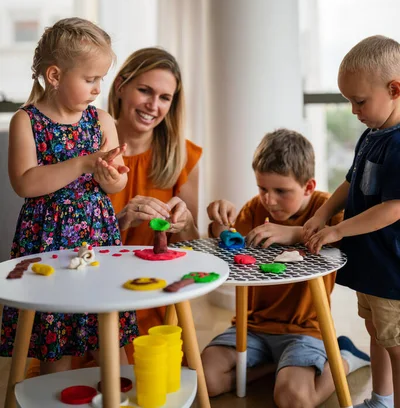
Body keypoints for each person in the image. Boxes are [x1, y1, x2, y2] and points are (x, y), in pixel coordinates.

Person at [0, 18, 138, 375]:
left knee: (108, 327)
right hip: (48, 238)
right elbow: (26, 184)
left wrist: (109, 176)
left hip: (97, 235)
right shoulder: (26, 121)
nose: (96, 89)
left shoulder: (102, 120)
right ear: (55, 76)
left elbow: (116, 184)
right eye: (89, 79)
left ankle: (117, 392)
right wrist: (82, 164)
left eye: (100, 80)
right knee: (55, 333)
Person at [202, 129, 370, 408]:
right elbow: (229, 245)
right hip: (252, 326)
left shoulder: (325, 208)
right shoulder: (254, 209)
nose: (269, 199)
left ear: (308, 186)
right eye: (262, 188)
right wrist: (220, 222)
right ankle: (275, 366)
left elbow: (346, 239)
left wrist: (294, 233)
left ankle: (345, 359)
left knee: (293, 399)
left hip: (304, 329)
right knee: (204, 379)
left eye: (281, 191)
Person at [304, 35, 400, 408]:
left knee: (395, 344)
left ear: (394, 89)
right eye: (348, 101)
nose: (353, 110)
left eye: (359, 101)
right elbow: (350, 181)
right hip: (370, 266)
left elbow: (394, 207)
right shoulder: (371, 135)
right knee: (376, 333)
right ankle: (380, 398)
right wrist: (323, 212)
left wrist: (339, 229)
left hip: (392, 271)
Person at [107, 47, 202, 336]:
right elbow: (68, 247)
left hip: (155, 298)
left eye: (165, 98)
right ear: (121, 86)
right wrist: (120, 222)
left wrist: (185, 225)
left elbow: (192, 246)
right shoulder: (88, 152)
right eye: (145, 91)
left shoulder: (184, 156)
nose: (153, 105)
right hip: (94, 297)